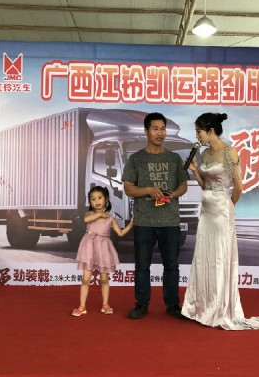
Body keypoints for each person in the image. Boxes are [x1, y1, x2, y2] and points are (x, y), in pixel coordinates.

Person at [181, 112, 259, 330]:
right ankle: (202, 307)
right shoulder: (204, 154)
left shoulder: (230, 152)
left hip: (222, 210)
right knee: (204, 257)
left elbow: (238, 186)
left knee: (221, 258)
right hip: (206, 210)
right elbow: (206, 186)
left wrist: (229, 205)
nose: (197, 136)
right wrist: (195, 171)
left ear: (210, 130)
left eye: (199, 132)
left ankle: (220, 308)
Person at [122, 112, 188, 319]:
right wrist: (148, 190)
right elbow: (128, 188)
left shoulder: (174, 158)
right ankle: (141, 304)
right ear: (146, 131)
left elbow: (183, 185)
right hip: (144, 221)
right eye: (155, 129)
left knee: (172, 266)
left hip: (170, 220)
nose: (160, 133)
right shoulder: (136, 159)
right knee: (142, 266)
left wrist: (174, 194)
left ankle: (173, 305)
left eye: (163, 129)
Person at [72, 186, 134, 317]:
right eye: (93, 199)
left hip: (103, 248)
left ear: (106, 199)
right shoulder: (89, 214)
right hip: (89, 247)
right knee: (85, 279)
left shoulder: (111, 218)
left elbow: (120, 233)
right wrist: (100, 214)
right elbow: (86, 220)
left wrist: (130, 224)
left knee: (104, 279)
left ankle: (105, 304)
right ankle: (82, 306)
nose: (96, 201)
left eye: (99, 198)